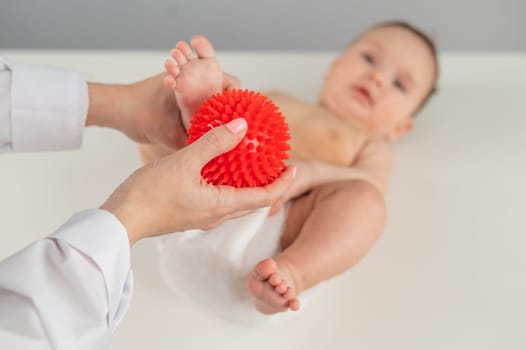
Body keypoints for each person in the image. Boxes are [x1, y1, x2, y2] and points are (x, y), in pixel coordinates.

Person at [141, 21, 439, 319]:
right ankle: (190, 113)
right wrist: (215, 105)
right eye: (369, 59)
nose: (377, 78)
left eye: (399, 84)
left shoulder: (370, 145)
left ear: (402, 127)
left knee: (366, 202)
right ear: (333, 68)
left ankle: (296, 274)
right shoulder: (278, 98)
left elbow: (371, 182)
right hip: (209, 205)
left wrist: (312, 173)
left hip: (278, 242)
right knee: (174, 132)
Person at [0, 57, 295, 347]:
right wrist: (138, 211)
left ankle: (294, 272)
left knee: (341, 203)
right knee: (341, 202)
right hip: (214, 229)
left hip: (243, 235)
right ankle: (294, 272)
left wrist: (118, 105)